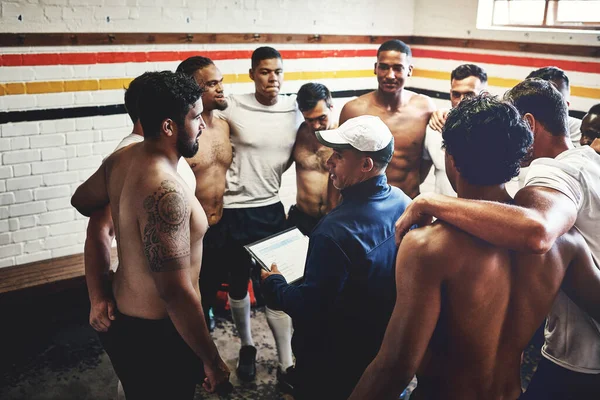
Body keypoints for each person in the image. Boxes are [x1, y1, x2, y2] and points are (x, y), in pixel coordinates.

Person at [349, 94, 600, 400]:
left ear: (451, 159)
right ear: (519, 160)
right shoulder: (566, 243)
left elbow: (395, 367)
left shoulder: (428, 247)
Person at [71, 71, 230, 400]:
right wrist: (211, 359)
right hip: (157, 337)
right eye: (195, 117)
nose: (202, 125)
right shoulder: (165, 191)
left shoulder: (122, 159)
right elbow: (174, 293)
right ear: (169, 126)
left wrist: (123, 205)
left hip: (130, 322)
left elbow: (81, 200)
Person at [261, 115, 412, 400]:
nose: (328, 162)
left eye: (339, 156)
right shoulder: (403, 201)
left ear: (366, 165)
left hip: (333, 363)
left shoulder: (334, 231)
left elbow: (310, 307)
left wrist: (275, 285)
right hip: (381, 347)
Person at [216, 46, 303, 385]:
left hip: (270, 208)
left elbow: (323, 120)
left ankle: (285, 363)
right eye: (265, 71)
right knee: (238, 284)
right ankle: (248, 346)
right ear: (252, 73)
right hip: (234, 210)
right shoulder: (233, 105)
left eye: (278, 72)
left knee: (275, 286)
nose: (273, 78)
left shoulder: (293, 110)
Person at [337, 39, 435, 200]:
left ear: (409, 70)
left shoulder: (425, 108)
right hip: (363, 207)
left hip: (406, 206)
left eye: (398, 68)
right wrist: (332, 210)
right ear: (375, 68)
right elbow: (339, 163)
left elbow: (426, 159)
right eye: (384, 67)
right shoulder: (353, 110)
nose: (390, 75)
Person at [176, 56, 232, 332]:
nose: (220, 88)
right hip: (185, 234)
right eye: (211, 84)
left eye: (220, 81)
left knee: (208, 292)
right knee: (183, 302)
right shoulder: (180, 132)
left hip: (218, 227)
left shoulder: (224, 126)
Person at [422, 64, 488, 196]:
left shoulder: (496, 131)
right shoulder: (435, 127)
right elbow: (420, 174)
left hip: (481, 214)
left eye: (469, 94)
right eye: (456, 94)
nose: (461, 101)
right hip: (442, 214)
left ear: (484, 94)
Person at [288, 82, 336, 235]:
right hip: (302, 218)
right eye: (309, 119)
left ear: (331, 107)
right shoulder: (299, 133)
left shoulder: (343, 136)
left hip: (335, 218)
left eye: (321, 118)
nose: (315, 126)